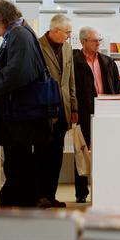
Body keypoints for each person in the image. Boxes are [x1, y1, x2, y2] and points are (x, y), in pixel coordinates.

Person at [0, 0, 50, 208]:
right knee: (20, 170)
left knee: (19, 171)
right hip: (21, 118)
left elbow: (15, 75)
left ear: (0, 18)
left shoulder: (18, 35)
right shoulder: (19, 33)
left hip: (20, 120)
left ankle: (17, 218)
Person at [73, 26, 120, 203]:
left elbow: (116, 87)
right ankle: (81, 192)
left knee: (106, 149)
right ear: (83, 41)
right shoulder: (74, 60)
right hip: (84, 110)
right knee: (82, 150)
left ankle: (106, 187)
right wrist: (73, 109)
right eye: (94, 40)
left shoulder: (108, 61)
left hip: (106, 110)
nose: (98, 43)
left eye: (99, 40)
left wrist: (117, 106)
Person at [37, 14, 78, 208]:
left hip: (63, 110)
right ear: (55, 31)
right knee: (41, 155)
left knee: (56, 156)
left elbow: (70, 80)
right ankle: (40, 196)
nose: (69, 36)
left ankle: (51, 195)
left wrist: (74, 106)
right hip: (42, 110)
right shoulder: (37, 47)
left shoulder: (68, 49)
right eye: (67, 33)